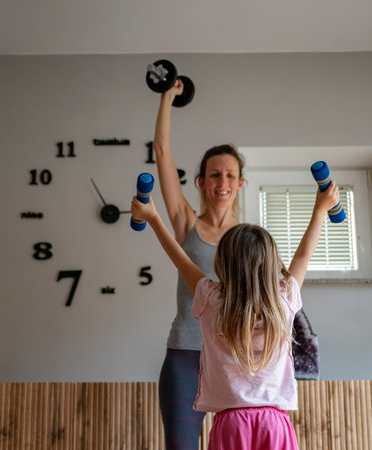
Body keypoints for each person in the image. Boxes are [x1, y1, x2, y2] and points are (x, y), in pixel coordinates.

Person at [131, 179, 339, 450]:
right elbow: (303, 256)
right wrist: (320, 209)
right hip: (275, 423)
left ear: (222, 264)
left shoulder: (212, 300)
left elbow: (181, 259)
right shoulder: (283, 299)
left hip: (231, 423)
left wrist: (154, 218)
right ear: (272, 264)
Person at [152, 80, 245, 449]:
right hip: (185, 354)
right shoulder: (186, 223)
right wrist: (166, 98)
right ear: (202, 181)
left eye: (230, 175)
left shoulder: (251, 237)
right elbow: (161, 151)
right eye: (215, 174)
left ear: (240, 183)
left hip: (236, 357)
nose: (222, 181)